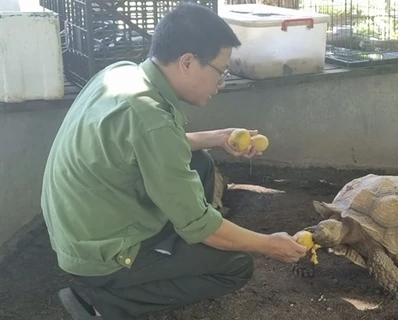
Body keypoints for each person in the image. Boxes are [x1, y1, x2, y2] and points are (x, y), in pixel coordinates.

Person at [40, 3, 307, 320]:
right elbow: (202, 226)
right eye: (220, 72)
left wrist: (218, 137)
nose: (220, 85)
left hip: (78, 230)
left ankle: (165, 257)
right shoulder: (151, 118)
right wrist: (268, 244)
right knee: (236, 266)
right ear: (188, 62)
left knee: (201, 162)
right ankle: (110, 305)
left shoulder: (122, 73)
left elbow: (148, 146)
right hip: (102, 255)